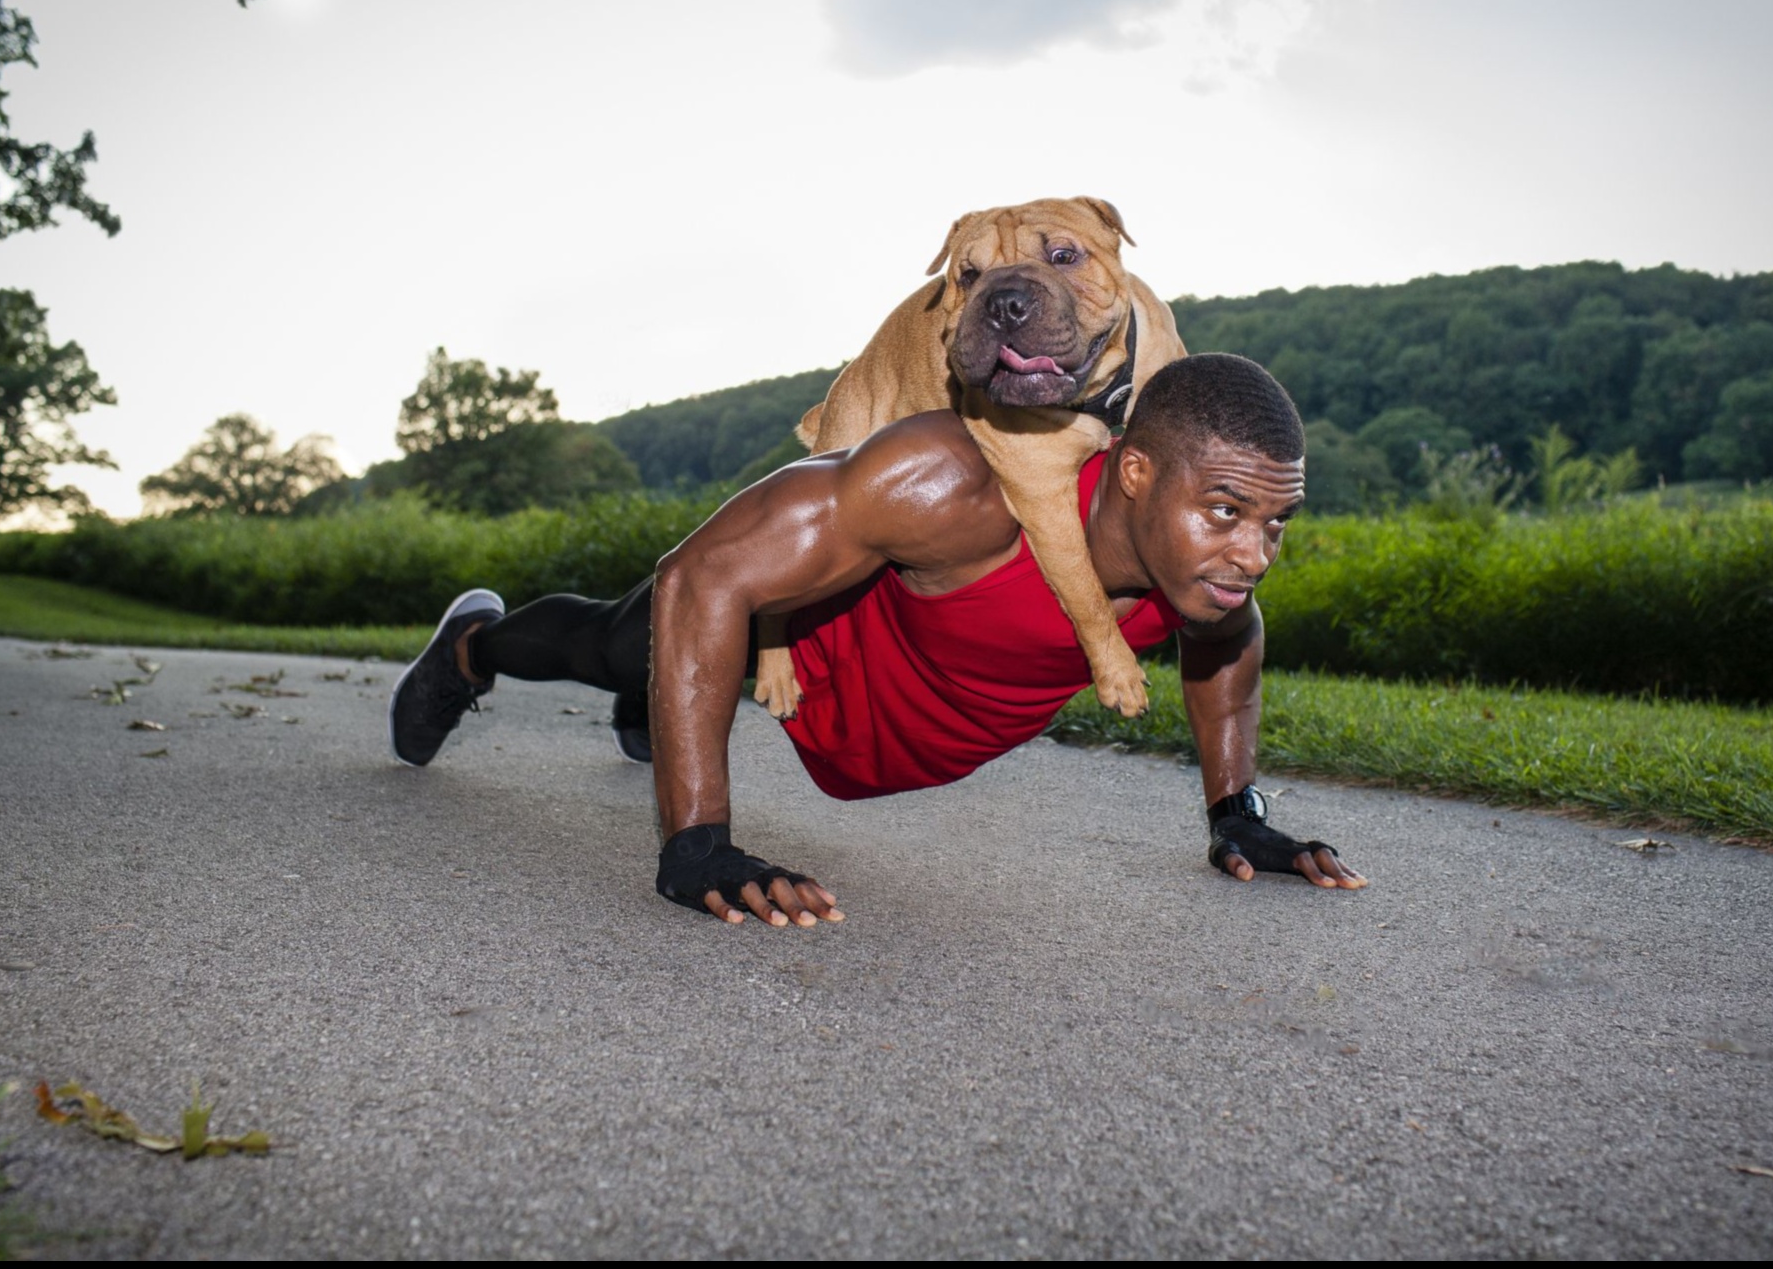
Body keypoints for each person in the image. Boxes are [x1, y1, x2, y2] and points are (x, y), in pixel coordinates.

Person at [388, 353, 1365, 926]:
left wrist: (1236, 811)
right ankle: (472, 645)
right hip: (798, 633)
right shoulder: (958, 485)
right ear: (1137, 473)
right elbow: (705, 576)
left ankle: (658, 699)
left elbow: (1231, 647)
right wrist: (697, 844)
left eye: (1275, 522)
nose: (1253, 554)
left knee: (657, 670)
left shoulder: (1201, 582)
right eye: (1226, 510)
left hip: (877, 732)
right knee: (617, 642)